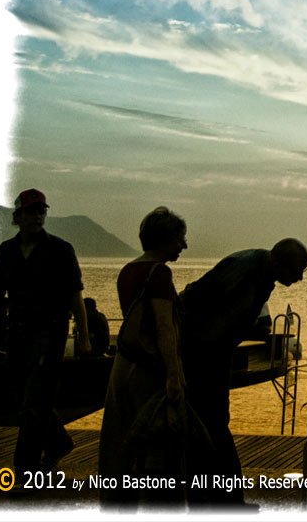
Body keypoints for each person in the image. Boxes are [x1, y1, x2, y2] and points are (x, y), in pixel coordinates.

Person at [179, 239, 307, 507]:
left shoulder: (263, 276)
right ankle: (213, 499)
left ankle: (221, 498)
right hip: (199, 355)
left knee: (214, 423)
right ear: (278, 262)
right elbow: (193, 297)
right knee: (207, 425)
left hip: (217, 354)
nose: (299, 278)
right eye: (297, 270)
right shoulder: (243, 268)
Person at [0, 188, 90, 476]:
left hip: (50, 334)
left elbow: (76, 296)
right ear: (18, 216)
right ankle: (59, 442)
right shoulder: (7, 251)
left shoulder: (61, 250)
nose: (38, 215)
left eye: (41, 211)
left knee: (34, 400)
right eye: (32, 211)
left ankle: (24, 470)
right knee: (21, 397)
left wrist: (84, 336)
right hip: (17, 334)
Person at [98, 206, 199, 509]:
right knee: (159, 441)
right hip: (148, 371)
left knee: (123, 441)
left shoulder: (128, 270)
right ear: (165, 239)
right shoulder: (159, 273)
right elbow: (164, 327)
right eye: (181, 238)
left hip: (123, 367)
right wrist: (173, 374)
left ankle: (119, 504)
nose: (184, 245)